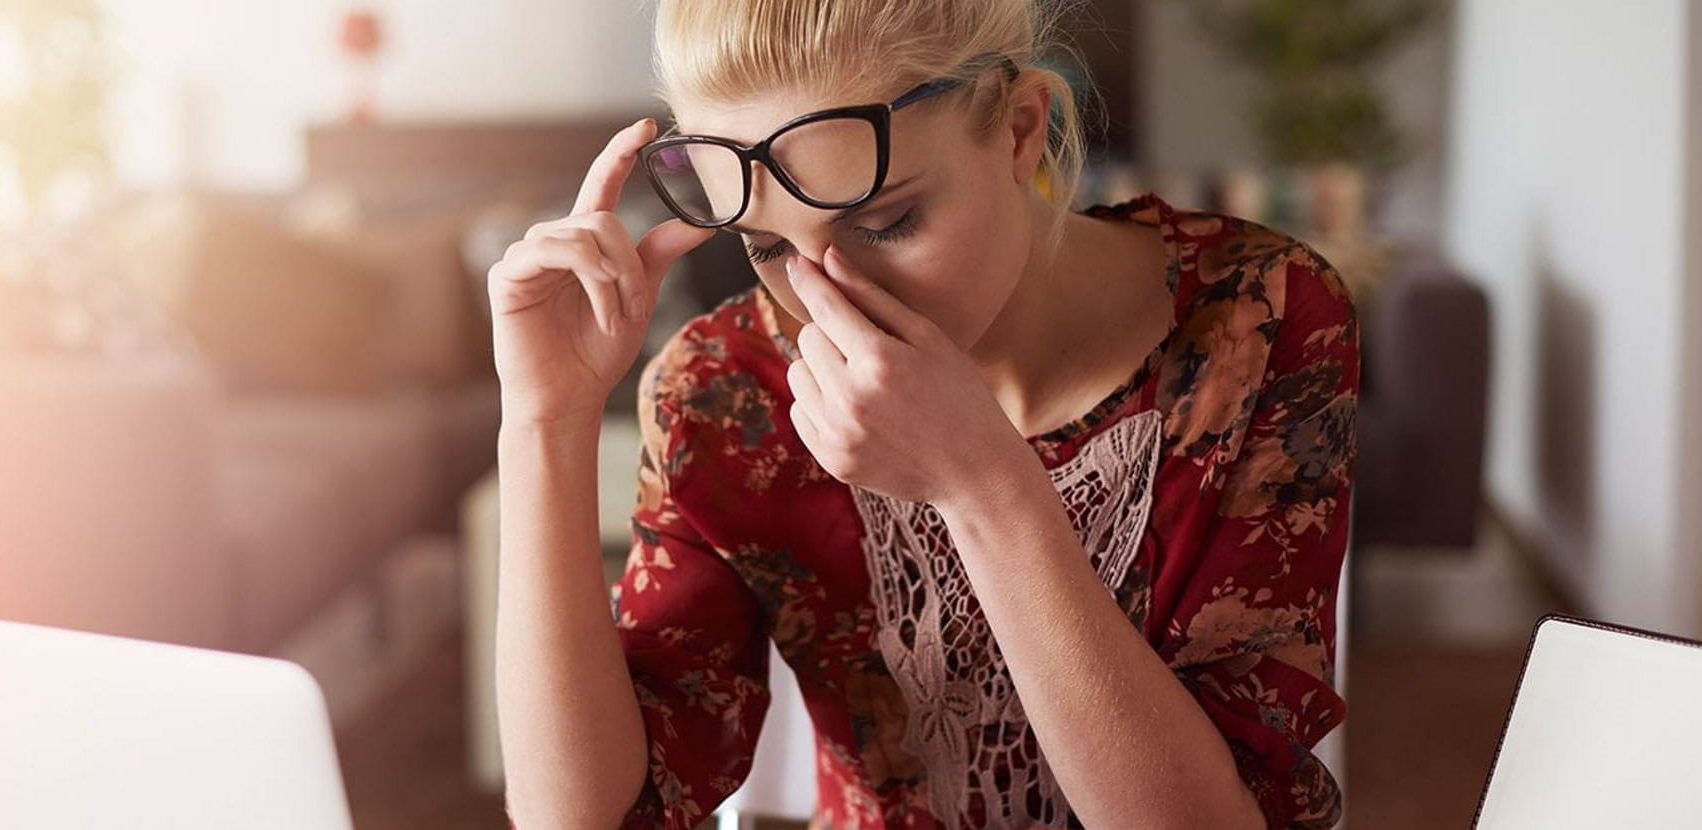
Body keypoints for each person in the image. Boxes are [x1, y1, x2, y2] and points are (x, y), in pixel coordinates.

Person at [486, 1, 1359, 828]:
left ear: (1021, 130)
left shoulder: (1257, 321)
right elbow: (585, 816)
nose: (831, 302)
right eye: (770, 248)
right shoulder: (729, 394)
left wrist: (985, 488)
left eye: (887, 221)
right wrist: (544, 422)